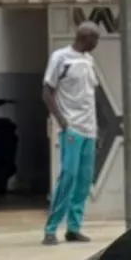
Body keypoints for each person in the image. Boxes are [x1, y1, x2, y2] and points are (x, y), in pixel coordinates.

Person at [41, 22, 100, 245]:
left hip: (89, 129)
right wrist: (63, 122)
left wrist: (97, 130)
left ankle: (73, 228)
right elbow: (47, 92)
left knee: (84, 181)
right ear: (86, 38)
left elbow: (90, 98)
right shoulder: (60, 58)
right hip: (72, 129)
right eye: (95, 41)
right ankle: (51, 228)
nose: (96, 45)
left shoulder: (88, 59)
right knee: (68, 176)